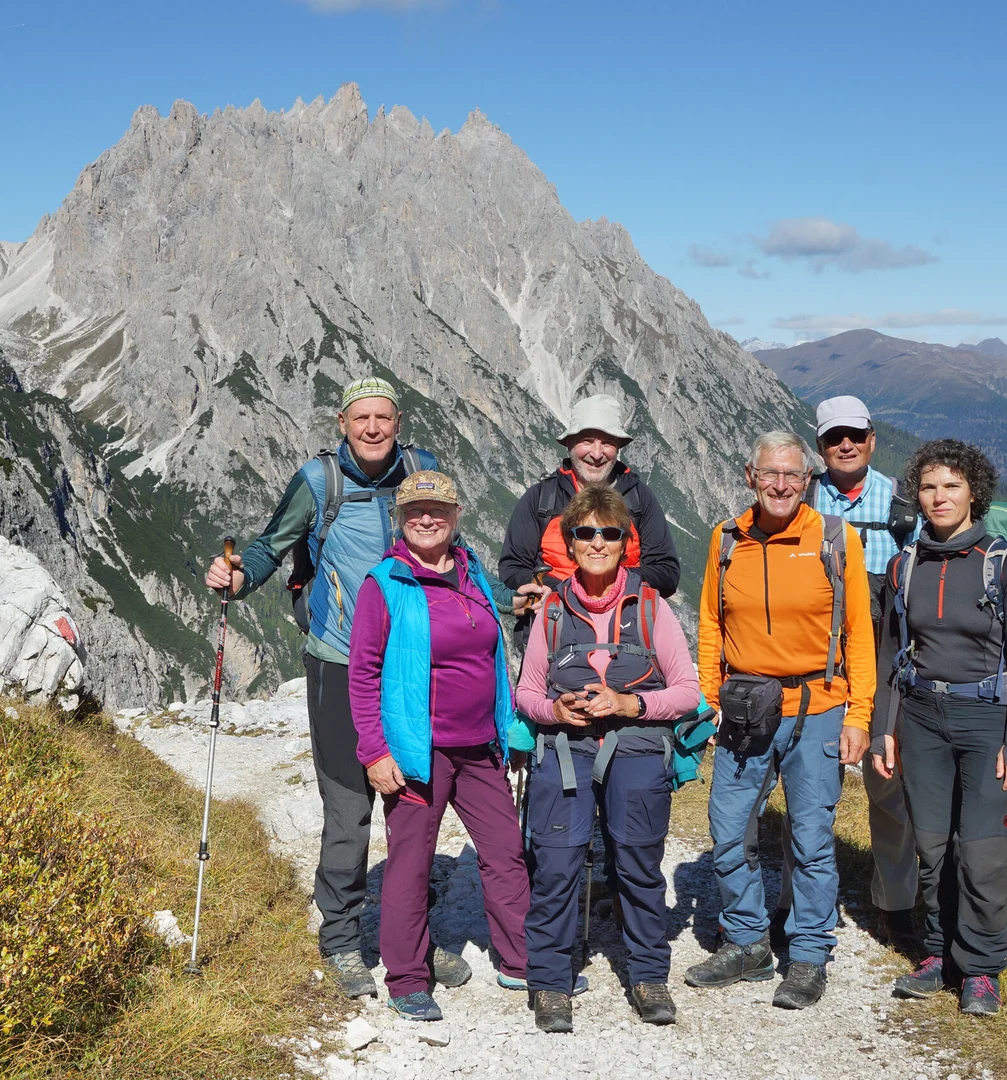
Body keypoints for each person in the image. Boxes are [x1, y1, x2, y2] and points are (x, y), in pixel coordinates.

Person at [209, 378, 522, 998]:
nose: (373, 428)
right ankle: (342, 940)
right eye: (361, 418)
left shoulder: (421, 470)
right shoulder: (318, 481)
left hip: (414, 673)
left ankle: (412, 939)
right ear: (343, 424)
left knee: (413, 812)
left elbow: (452, 553)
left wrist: (507, 602)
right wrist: (238, 579)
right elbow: (272, 546)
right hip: (339, 661)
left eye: (383, 417)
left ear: (398, 422)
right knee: (349, 808)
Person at [510, 484, 708, 1032]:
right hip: (565, 749)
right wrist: (554, 710)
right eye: (585, 533)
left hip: (637, 747)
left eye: (610, 533)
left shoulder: (652, 607)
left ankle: (648, 977)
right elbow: (526, 693)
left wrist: (630, 703)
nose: (597, 542)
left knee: (639, 866)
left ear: (625, 543)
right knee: (555, 867)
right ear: (570, 543)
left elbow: (687, 692)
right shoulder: (552, 610)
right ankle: (551, 983)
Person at [688, 431, 874, 1009]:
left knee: (811, 838)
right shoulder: (726, 539)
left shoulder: (835, 538)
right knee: (728, 829)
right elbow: (712, 624)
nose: (781, 485)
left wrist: (860, 714)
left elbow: (859, 633)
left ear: (808, 480)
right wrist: (708, 699)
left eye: (793, 475)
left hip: (817, 708)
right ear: (750, 476)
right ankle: (748, 942)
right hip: (745, 708)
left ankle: (809, 954)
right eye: (770, 473)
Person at [347, 470, 531, 1022]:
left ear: (456, 516)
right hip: (417, 753)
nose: (426, 519)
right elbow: (363, 674)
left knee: (505, 853)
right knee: (410, 864)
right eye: (414, 511)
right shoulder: (386, 583)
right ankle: (407, 978)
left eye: (438, 510)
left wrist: (508, 726)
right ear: (400, 520)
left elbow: (492, 657)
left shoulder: (472, 573)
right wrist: (375, 751)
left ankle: (521, 961)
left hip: (482, 747)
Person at [872, 439, 1007, 1017]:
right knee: (933, 844)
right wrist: (883, 729)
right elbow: (891, 652)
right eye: (928, 486)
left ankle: (982, 968)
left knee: (985, 851)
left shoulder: (1003, 563)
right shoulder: (905, 565)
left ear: (974, 493)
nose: (938, 497)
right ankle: (939, 954)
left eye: (951, 486)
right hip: (921, 718)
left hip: (987, 721)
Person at [803, 395, 919, 944]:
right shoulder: (799, 496)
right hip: (811, 659)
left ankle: (895, 903)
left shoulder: (902, 504)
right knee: (805, 781)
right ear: (820, 445)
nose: (845, 445)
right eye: (834, 437)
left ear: (873, 439)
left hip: (882, 654)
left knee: (886, 776)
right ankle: (801, 901)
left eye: (855, 435)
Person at [498, 394, 682, 598]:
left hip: (623, 616)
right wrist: (566, 593)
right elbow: (512, 569)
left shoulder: (639, 497)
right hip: (555, 613)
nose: (596, 454)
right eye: (587, 441)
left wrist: (612, 586)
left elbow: (667, 573)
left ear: (618, 448)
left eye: (607, 443)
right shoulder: (541, 498)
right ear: (569, 444)